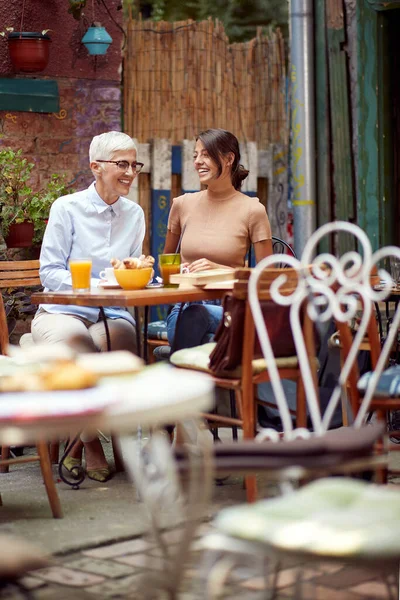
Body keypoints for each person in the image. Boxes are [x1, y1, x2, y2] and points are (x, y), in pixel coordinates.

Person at [32, 130, 146, 482]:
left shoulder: (135, 214)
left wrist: (141, 274)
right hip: (62, 312)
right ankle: (89, 440)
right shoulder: (66, 208)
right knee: (74, 342)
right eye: (121, 164)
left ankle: (82, 438)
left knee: (122, 340)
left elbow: (130, 269)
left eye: (133, 164)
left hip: (110, 312)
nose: (129, 172)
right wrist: (99, 285)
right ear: (95, 167)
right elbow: (50, 273)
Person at [163, 128, 272, 349]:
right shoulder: (181, 205)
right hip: (184, 307)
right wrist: (181, 273)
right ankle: (225, 356)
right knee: (197, 321)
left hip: (231, 308)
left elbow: (267, 277)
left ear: (229, 158)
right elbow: (167, 265)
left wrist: (219, 270)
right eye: (195, 155)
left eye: (206, 154)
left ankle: (182, 370)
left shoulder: (253, 209)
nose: (197, 162)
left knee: (201, 325)